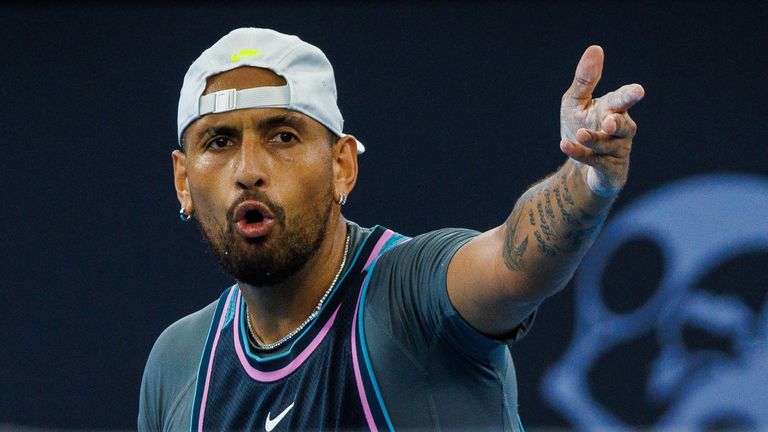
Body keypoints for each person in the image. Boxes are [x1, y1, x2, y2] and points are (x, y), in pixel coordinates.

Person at [138, 27, 643, 431]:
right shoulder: (177, 365)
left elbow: (516, 264)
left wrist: (587, 178)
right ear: (183, 180)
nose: (248, 168)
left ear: (342, 167)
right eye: (220, 142)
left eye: (283, 136)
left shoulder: (411, 294)